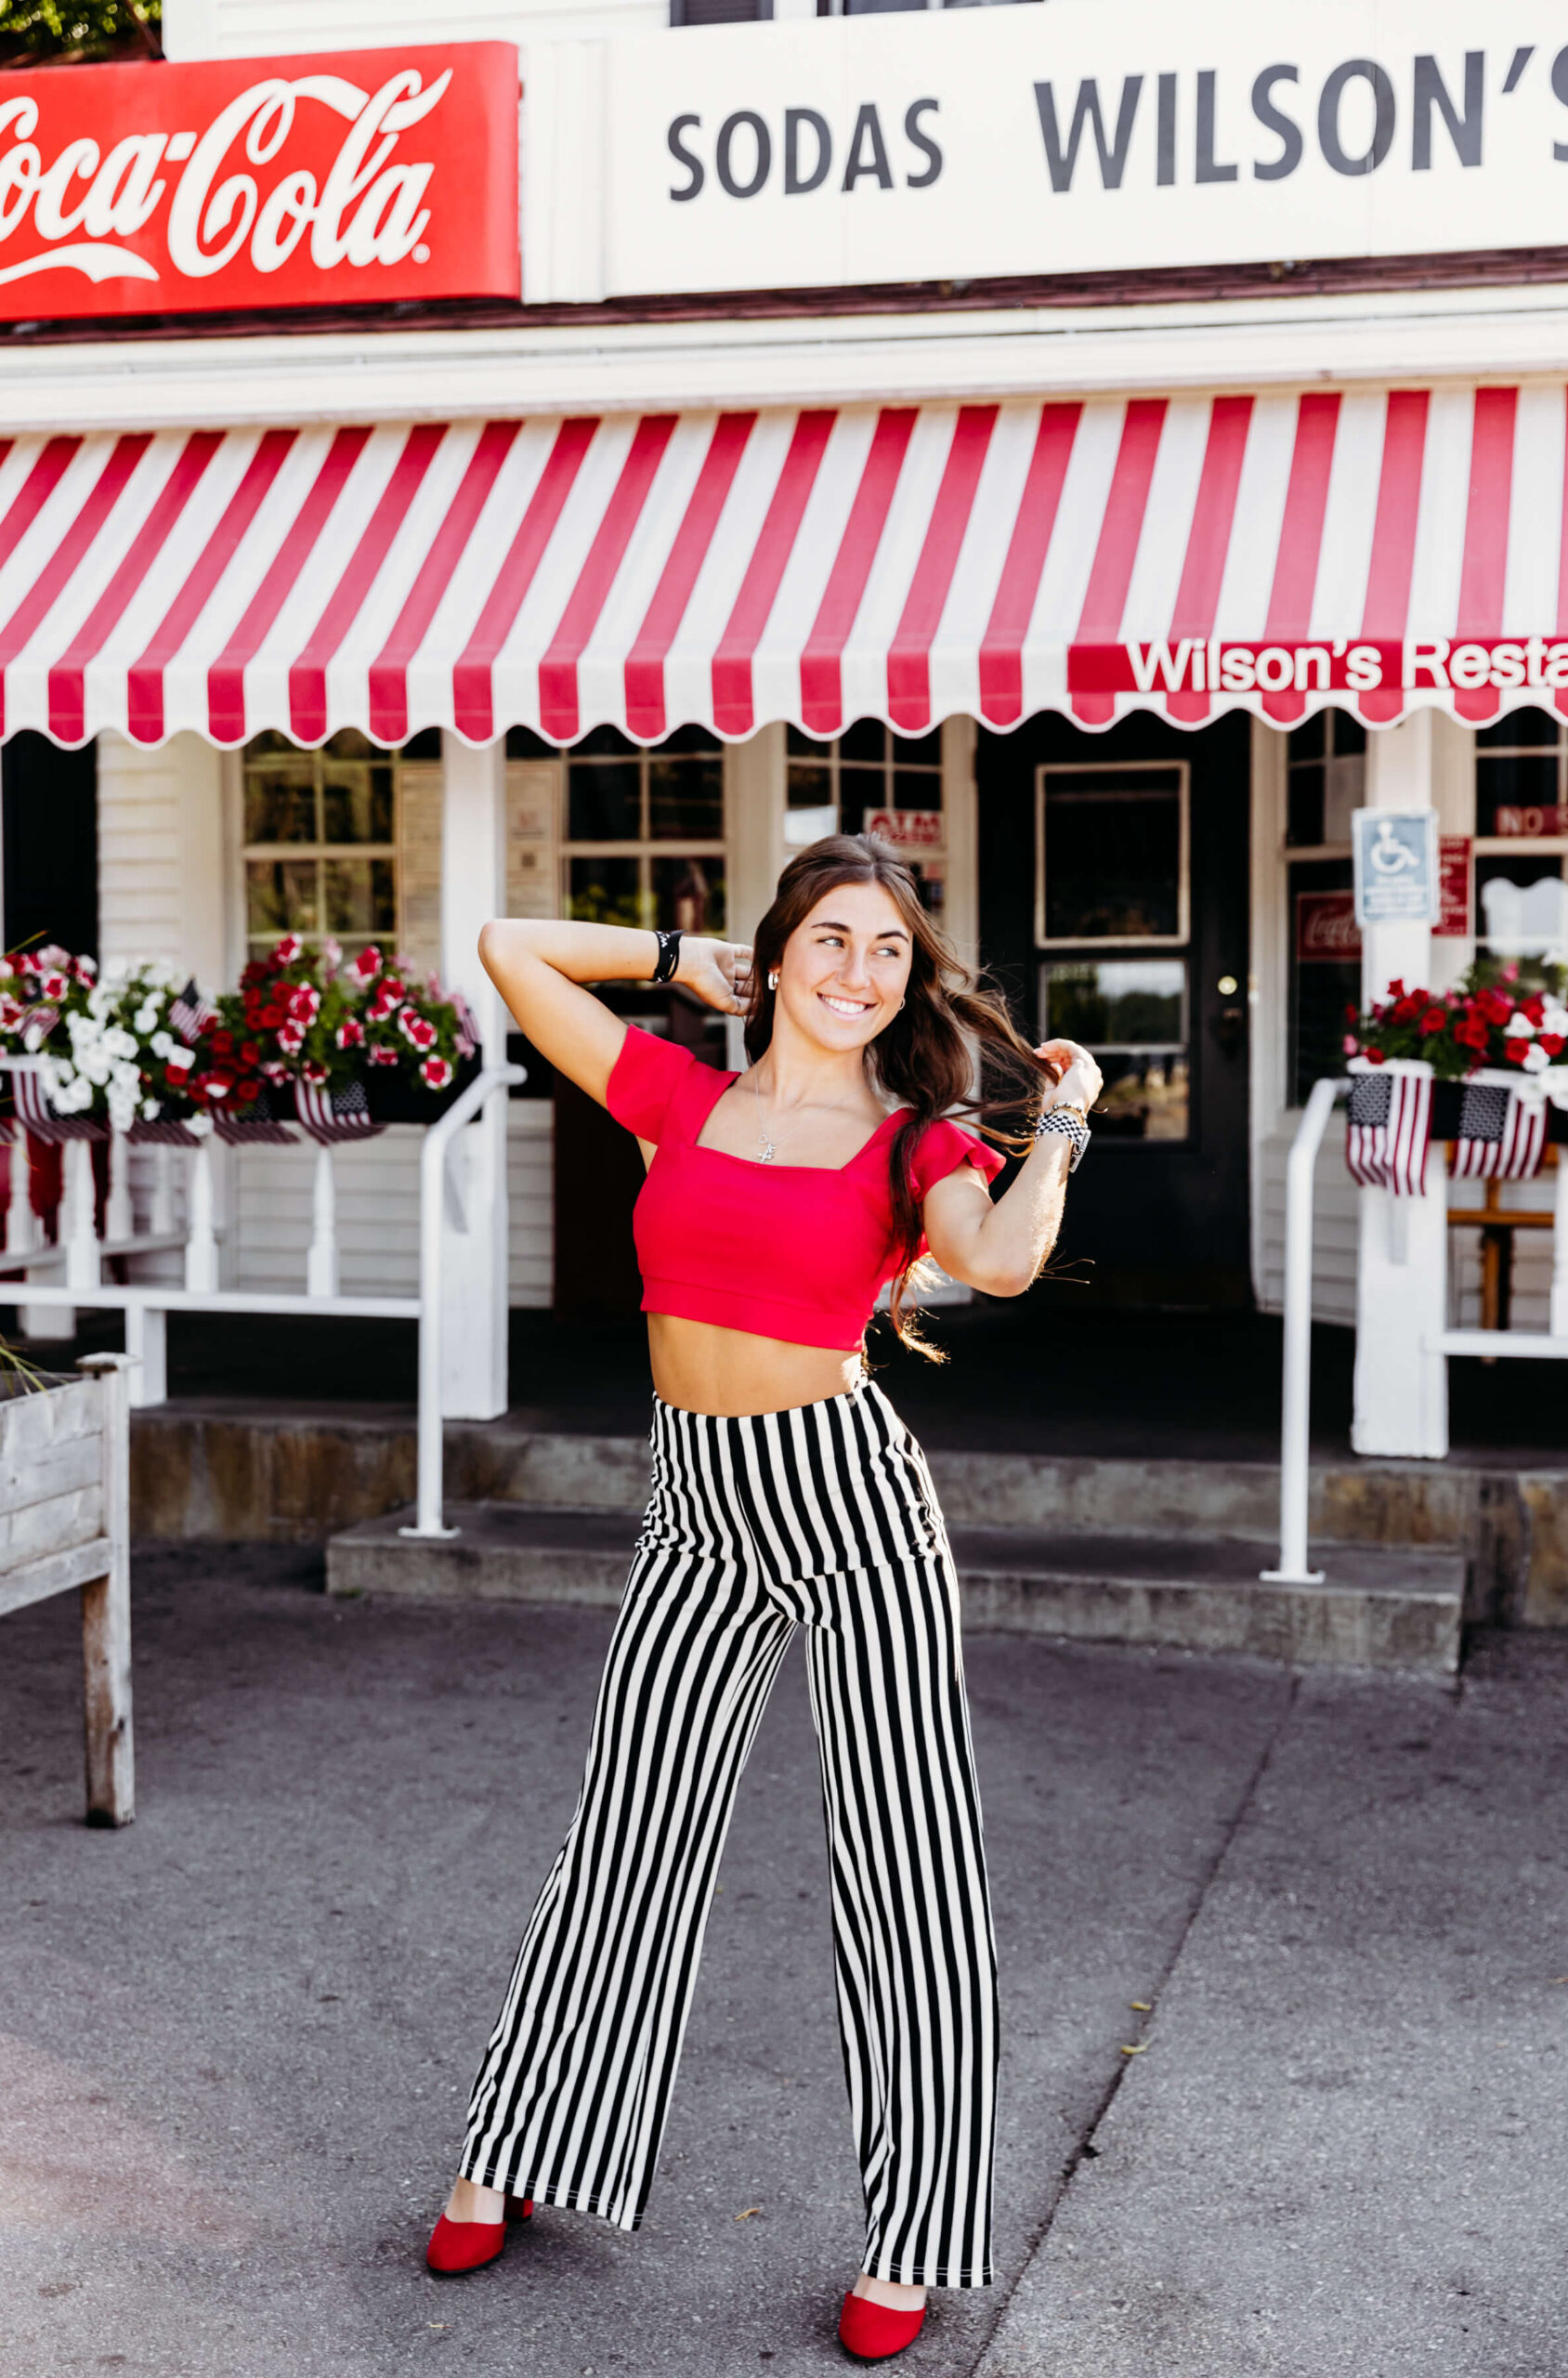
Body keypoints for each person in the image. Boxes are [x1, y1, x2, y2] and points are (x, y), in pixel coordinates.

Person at [425, 832, 1102, 2363]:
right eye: (833, 941)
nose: (862, 975)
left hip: (849, 1502)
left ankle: (913, 2237)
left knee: (905, 1875)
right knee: (625, 1840)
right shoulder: (682, 1095)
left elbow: (995, 1263)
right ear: (779, 949)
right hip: (694, 1505)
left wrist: (1057, 1124)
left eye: (888, 953)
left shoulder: (916, 1141)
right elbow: (510, 949)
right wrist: (675, 964)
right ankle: (523, 2150)